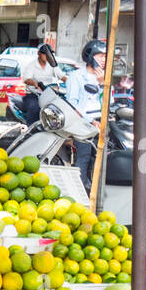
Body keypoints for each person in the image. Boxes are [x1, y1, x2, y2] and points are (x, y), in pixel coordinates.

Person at [63, 39, 109, 185]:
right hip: (83, 123)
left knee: (101, 158)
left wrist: (102, 84)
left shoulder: (104, 77)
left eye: (105, 56)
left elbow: (109, 102)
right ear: (90, 56)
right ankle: (80, 189)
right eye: (100, 55)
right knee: (84, 156)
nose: (104, 59)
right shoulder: (75, 77)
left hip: (101, 121)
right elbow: (72, 104)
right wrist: (91, 121)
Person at [19, 43, 64, 122]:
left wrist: (71, 82)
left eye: (48, 54)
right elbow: (26, 79)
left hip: (48, 95)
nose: (47, 55)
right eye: (44, 53)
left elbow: (62, 76)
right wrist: (34, 83)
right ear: (39, 53)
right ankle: (30, 128)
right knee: (34, 107)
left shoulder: (52, 65)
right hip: (33, 94)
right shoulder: (32, 65)